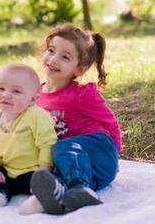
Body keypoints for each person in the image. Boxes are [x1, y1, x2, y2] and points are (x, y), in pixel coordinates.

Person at [29, 23, 122, 215]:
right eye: (51, 50)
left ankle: (80, 187)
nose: (53, 59)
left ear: (78, 69)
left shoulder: (81, 94)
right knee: (48, 167)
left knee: (62, 147)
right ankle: (65, 194)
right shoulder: (35, 94)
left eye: (65, 57)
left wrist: (115, 152)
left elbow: (109, 121)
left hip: (99, 153)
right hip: (77, 166)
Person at [0, 63, 57, 210]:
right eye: (0, 89)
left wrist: (44, 171)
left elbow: (48, 144)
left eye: (16, 91)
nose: (6, 94)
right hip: (9, 171)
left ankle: (42, 197)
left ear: (32, 100)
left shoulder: (35, 116)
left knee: (46, 182)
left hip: (34, 170)